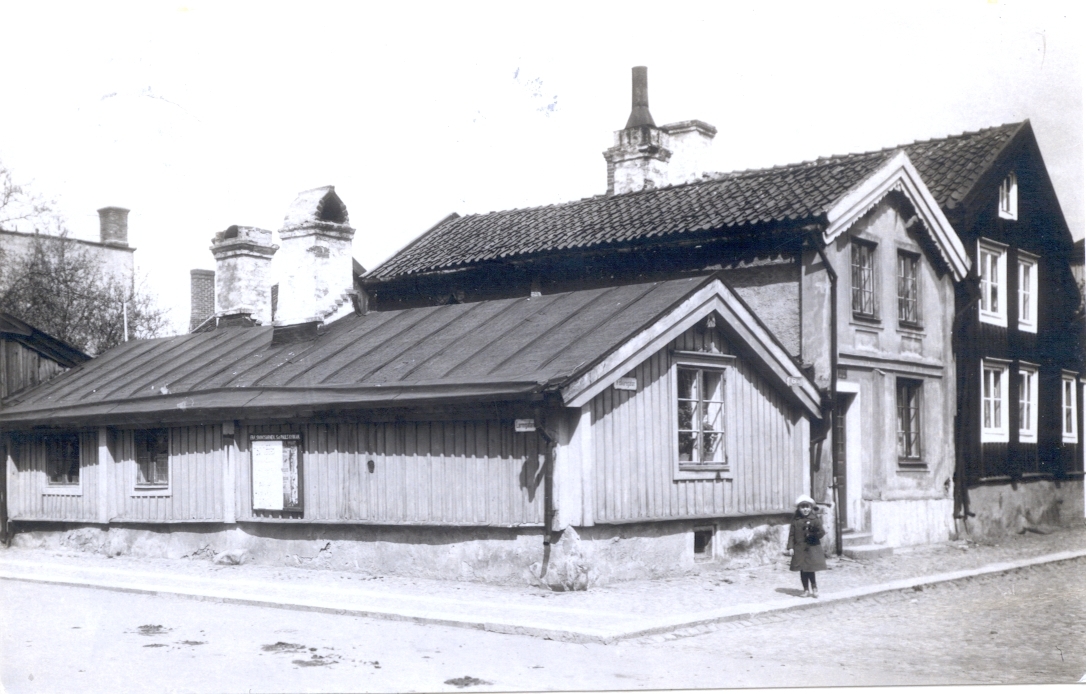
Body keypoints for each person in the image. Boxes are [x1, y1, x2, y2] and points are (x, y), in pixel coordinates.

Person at [784, 494, 827, 597]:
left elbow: (821, 532)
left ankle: (814, 588)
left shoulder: (815, 519)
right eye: (802, 507)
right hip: (799, 549)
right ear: (799, 508)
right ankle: (806, 589)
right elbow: (791, 534)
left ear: (811, 508)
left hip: (812, 548)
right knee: (802, 569)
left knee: (810, 568)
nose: (805, 509)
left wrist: (816, 533)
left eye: (807, 507)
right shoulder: (796, 520)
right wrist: (790, 547)